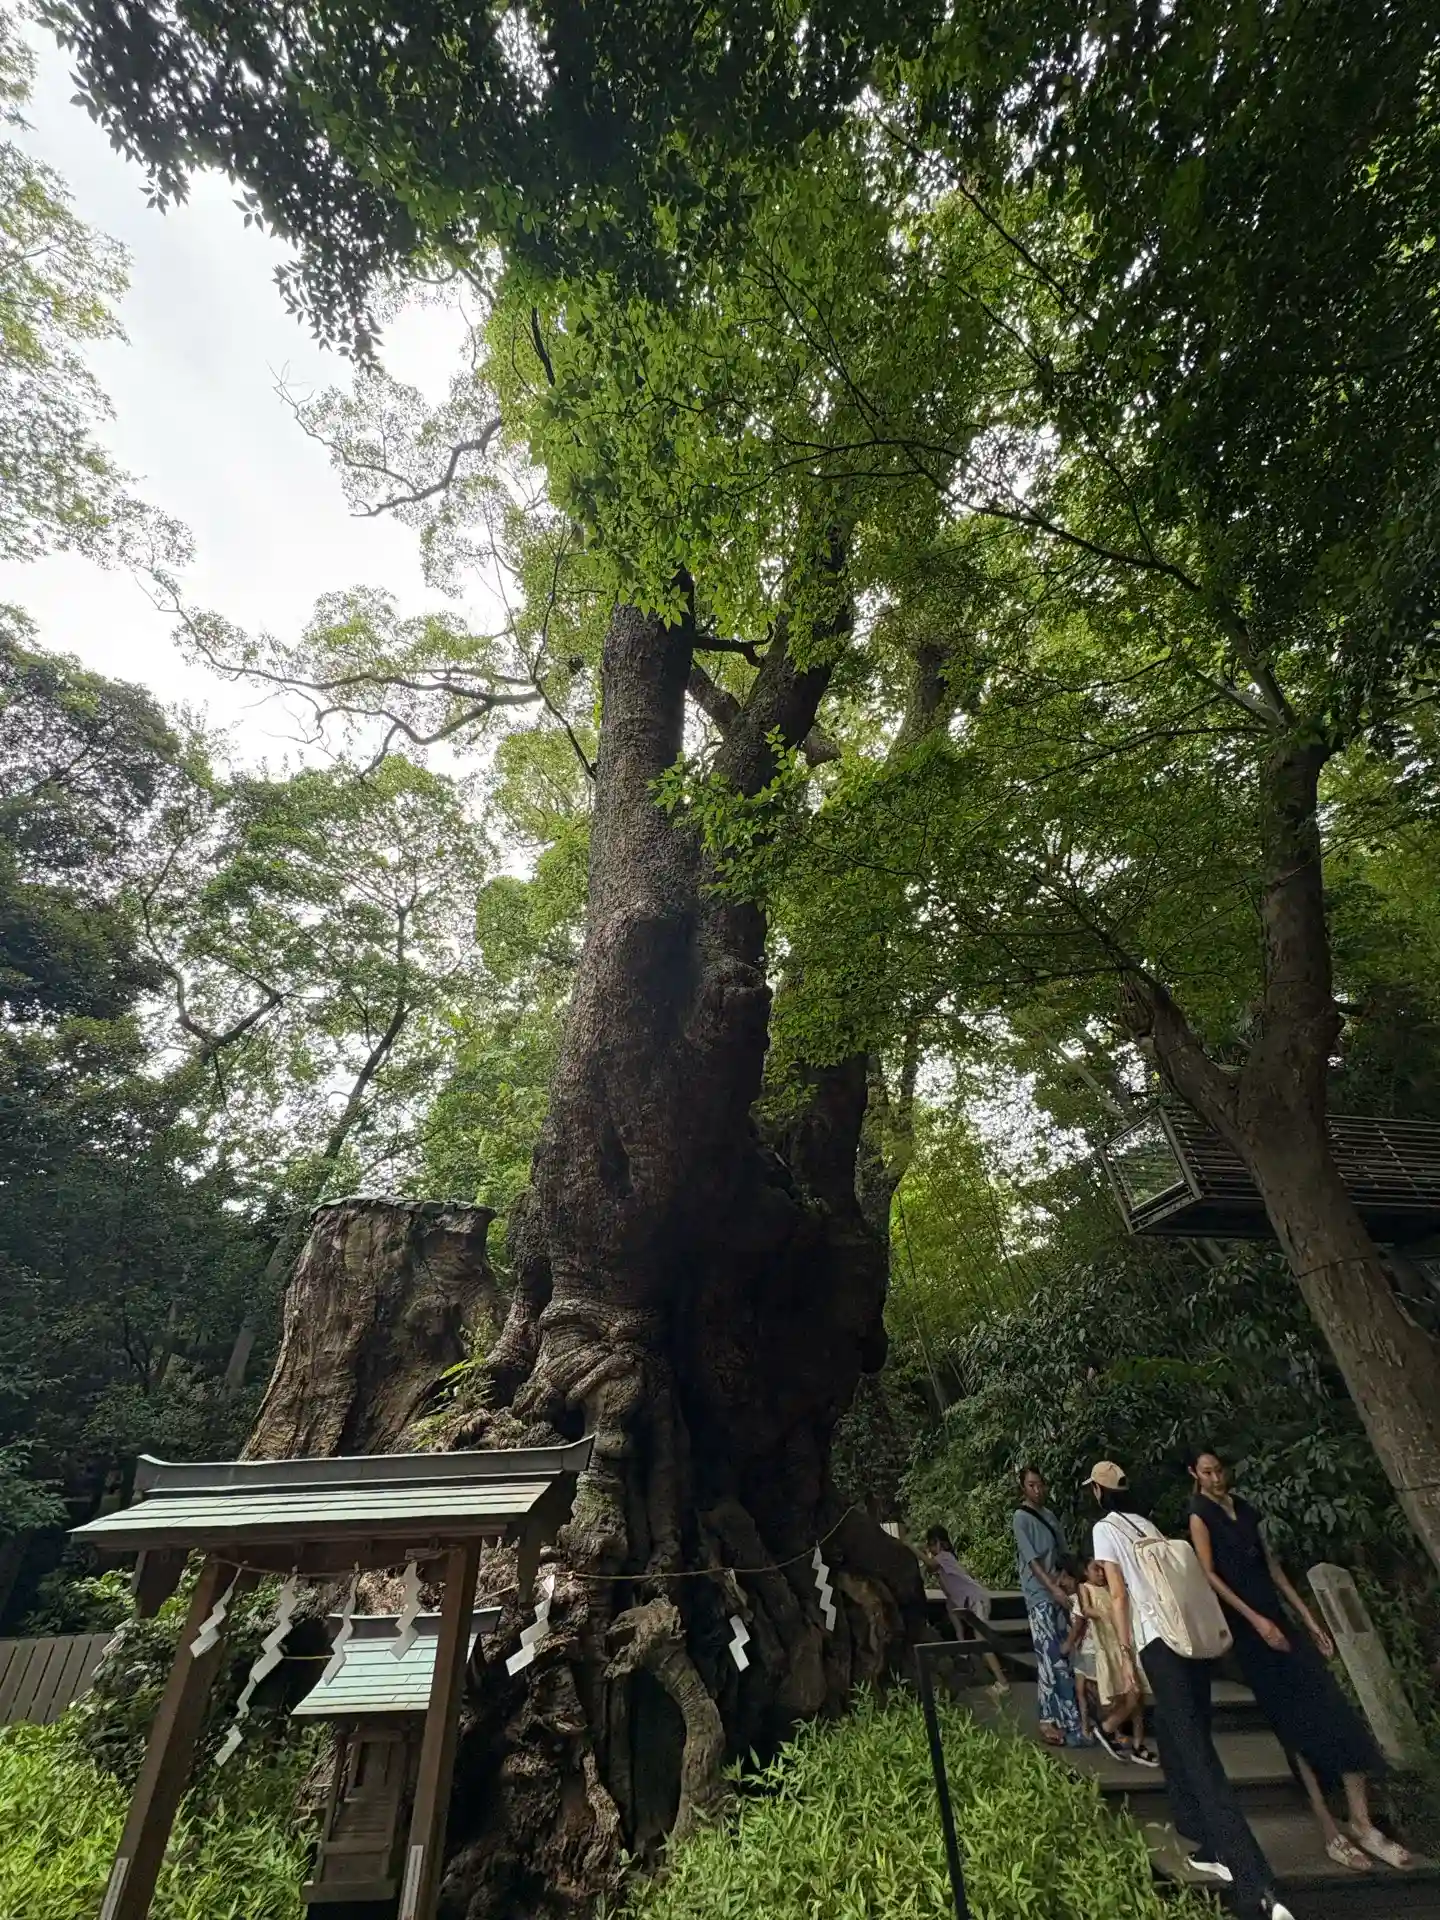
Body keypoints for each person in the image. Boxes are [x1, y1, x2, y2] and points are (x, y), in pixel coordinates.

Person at [1086, 1458, 1296, 1920]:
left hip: (1157, 1644)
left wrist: (1125, 1654)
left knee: (1199, 1756)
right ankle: (1198, 1833)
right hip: (1190, 1643)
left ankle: (1256, 1883)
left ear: (1099, 1492)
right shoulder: (1147, 1525)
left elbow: (1118, 1594)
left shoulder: (1105, 1529)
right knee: (1175, 1732)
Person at [1186, 1447, 1411, 1875]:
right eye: (1208, 1472)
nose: (1216, 1478)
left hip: (1279, 1618)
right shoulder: (1200, 1514)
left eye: (1219, 1470)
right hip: (1249, 1630)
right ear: (1195, 1474)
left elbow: (1272, 1567)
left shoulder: (1243, 1508)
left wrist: (1307, 1618)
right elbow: (1209, 1574)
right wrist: (1255, 1621)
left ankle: (1362, 1820)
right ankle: (1330, 1830)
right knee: (1293, 1724)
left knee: (1333, 1707)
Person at [1012, 1465, 1086, 1746]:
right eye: (1031, 1485)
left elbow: (1063, 1554)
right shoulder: (1021, 1518)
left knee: (1062, 1654)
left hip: (1059, 1591)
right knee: (1049, 1655)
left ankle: (1060, 1716)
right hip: (1038, 1593)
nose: (1037, 1490)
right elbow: (1031, 1560)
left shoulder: (1050, 1517)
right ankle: (1054, 1720)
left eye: (1039, 1484)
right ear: (1023, 1488)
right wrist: (1051, 1588)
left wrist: (1066, 1582)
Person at [1065, 1556, 1157, 1766]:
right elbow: (1086, 1609)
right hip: (1111, 1651)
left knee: (1137, 1700)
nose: (1101, 1573)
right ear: (1085, 1572)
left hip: (1127, 1646)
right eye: (1095, 1569)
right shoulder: (1086, 1588)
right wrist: (1103, 1613)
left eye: (1103, 1568)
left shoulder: (1113, 1587)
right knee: (1131, 1694)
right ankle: (1107, 1727)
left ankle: (1138, 1745)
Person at [923, 1525, 1010, 1698]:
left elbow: (930, 1563)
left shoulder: (945, 1556)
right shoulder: (943, 1566)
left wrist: (910, 1547)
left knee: (981, 1641)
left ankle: (1003, 1682)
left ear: (940, 1543)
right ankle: (994, 1674)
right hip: (972, 1602)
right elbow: (949, 1597)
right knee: (979, 1641)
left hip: (977, 1600)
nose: (931, 1549)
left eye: (932, 1544)